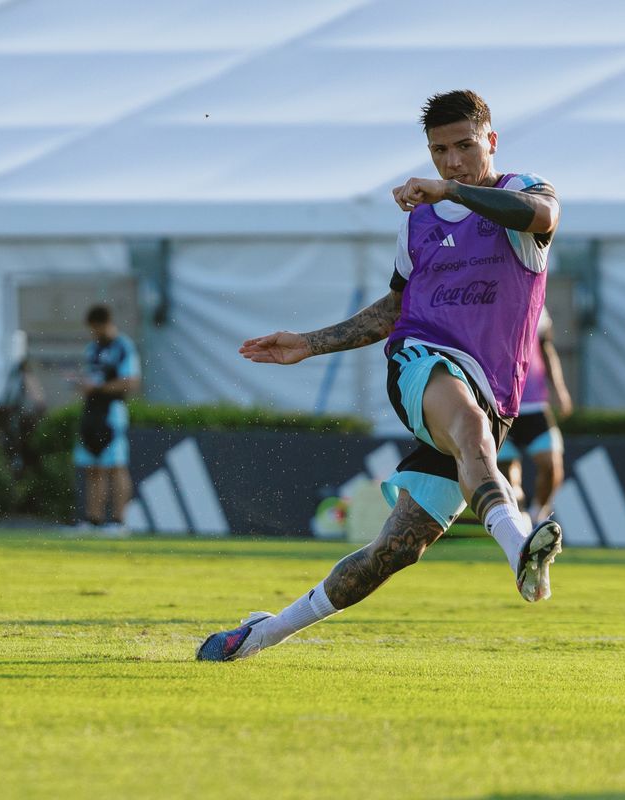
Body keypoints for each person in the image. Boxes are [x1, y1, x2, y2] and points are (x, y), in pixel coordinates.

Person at [197, 90, 564, 662]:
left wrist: (451, 191)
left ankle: (261, 633)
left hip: (494, 393)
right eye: (440, 151)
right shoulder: (418, 224)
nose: (452, 161)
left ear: (491, 141)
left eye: (465, 146)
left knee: (393, 551)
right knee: (469, 427)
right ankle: (519, 548)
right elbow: (396, 309)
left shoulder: (524, 192)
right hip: (421, 361)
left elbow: (542, 217)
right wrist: (312, 343)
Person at [497, 307, 572, 523]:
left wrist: (559, 389)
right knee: (507, 480)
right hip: (499, 405)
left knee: (551, 465)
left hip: (534, 403)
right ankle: (520, 524)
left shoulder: (535, 301)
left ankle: (537, 515)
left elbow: (546, 347)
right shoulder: (484, 299)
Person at [72, 305, 140, 533]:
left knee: (115, 466)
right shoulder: (93, 348)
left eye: (94, 328)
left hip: (112, 412)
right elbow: (91, 377)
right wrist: (82, 383)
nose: (93, 333)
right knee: (93, 466)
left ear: (104, 324)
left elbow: (131, 382)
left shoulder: (123, 347)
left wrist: (99, 388)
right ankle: (93, 520)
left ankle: (119, 521)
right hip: (91, 412)